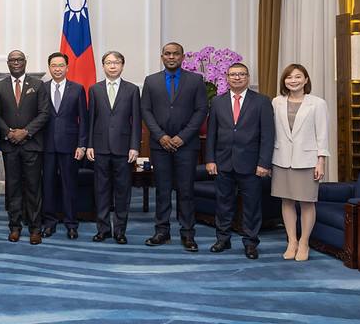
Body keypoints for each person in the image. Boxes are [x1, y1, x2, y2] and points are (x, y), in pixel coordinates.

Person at [141, 42, 207, 252]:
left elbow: (201, 110)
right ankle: (162, 231)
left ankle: (188, 234)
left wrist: (182, 137)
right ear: (162, 57)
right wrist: (160, 136)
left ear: (182, 57)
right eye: (167, 54)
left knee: (186, 191)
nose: (171, 57)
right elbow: (146, 111)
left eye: (175, 54)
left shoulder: (195, 80)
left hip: (186, 146)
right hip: (160, 146)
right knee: (161, 190)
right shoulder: (151, 81)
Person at [205, 63, 274, 260]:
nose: (237, 78)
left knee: (252, 206)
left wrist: (264, 163)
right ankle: (223, 239)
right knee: (223, 204)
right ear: (227, 77)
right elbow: (211, 134)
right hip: (223, 162)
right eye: (233, 74)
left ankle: (251, 243)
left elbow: (268, 136)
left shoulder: (261, 101)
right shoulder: (217, 102)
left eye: (241, 74)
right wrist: (210, 159)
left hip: (251, 164)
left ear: (248, 77)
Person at [271, 64, 329, 262]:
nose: (293, 80)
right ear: (284, 81)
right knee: (286, 201)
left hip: (307, 160)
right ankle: (292, 241)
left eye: (298, 77)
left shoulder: (317, 103)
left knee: (307, 202)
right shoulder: (276, 102)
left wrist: (320, 162)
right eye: (289, 77)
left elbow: (322, 135)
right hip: (281, 159)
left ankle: (304, 242)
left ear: (306, 80)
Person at [0, 50, 50, 244]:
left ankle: (35, 228)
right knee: (13, 188)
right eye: (12, 60)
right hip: (10, 146)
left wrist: (25, 132)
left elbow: (44, 113)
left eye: (19, 60)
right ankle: (14, 226)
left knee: (34, 188)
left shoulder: (38, 85)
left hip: (32, 145)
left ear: (25, 62)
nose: (16, 62)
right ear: (8, 63)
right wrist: (9, 133)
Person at [86, 51, 141, 244]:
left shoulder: (132, 90)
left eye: (116, 62)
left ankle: (120, 231)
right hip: (100, 147)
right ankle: (103, 229)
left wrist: (135, 146)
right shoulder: (94, 89)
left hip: (124, 149)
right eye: (108, 62)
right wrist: (89, 144)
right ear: (103, 66)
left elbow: (136, 121)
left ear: (122, 66)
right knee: (101, 190)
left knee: (122, 191)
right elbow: (90, 119)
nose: (112, 66)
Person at [41, 52, 87, 239]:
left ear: (67, 68)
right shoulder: (41, 89)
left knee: (70, 186)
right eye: (54, 65)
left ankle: (71, 223)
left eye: (61, 65)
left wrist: (82, 145)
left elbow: (84, 119)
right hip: (46, 146)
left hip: (70, 145)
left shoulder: (77, 89)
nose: (57, 69)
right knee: (48, 186)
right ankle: (49, 222)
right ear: (49, 68)